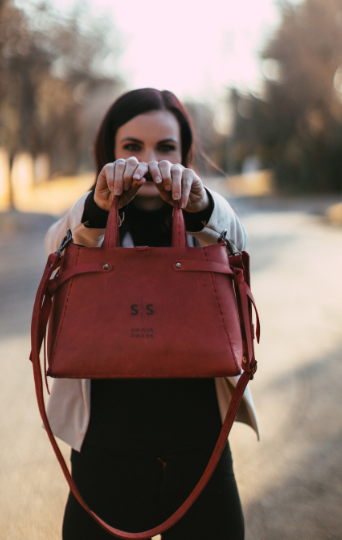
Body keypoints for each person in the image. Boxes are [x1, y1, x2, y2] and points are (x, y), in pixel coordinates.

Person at [44, 88, 259, 539]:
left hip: (203, 459)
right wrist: (98, 208)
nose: (147, 160)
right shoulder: (87, 219)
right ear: (109, 153)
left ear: (184, 155)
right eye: (131, 147)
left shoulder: (207, 220)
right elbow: (56, 256)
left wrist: (201, 206)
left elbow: (239, 250)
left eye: (165, 148)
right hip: (104, 463)